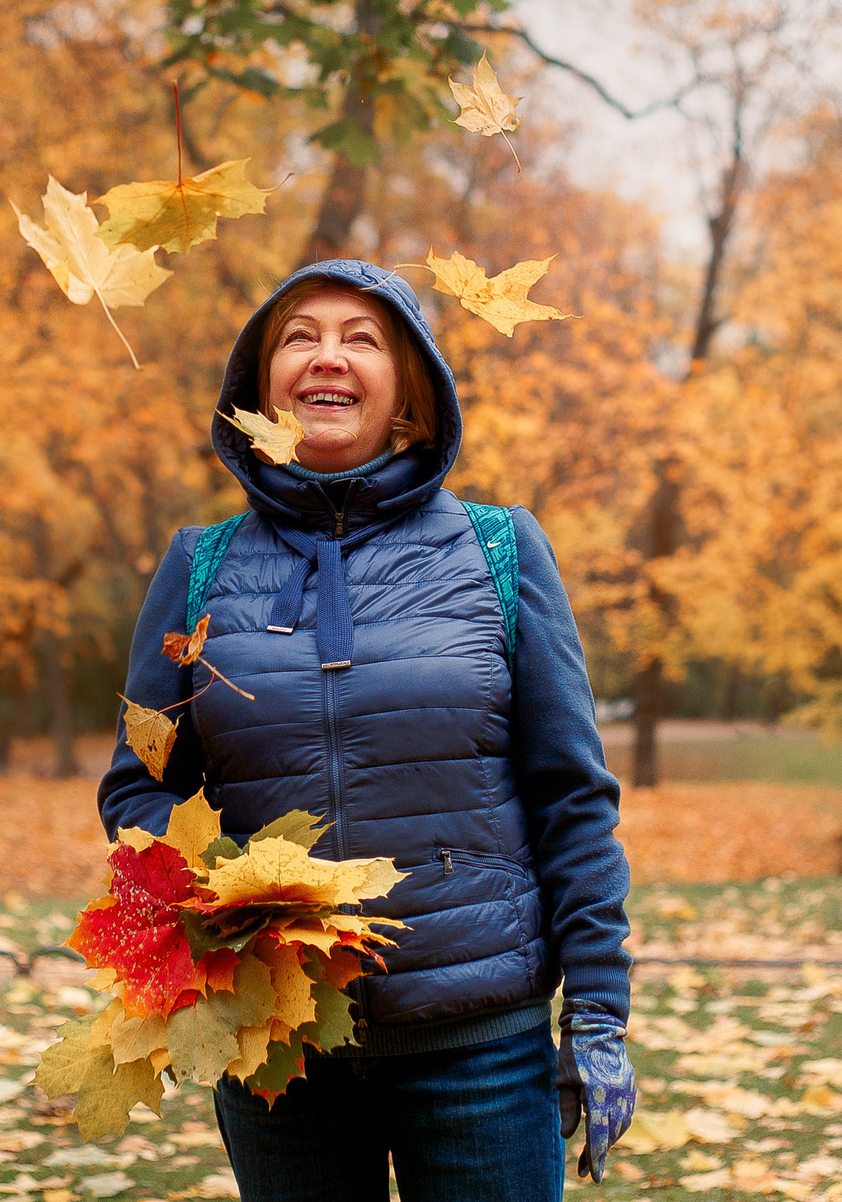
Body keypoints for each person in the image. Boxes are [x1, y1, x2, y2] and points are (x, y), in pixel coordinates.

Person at [98, 259, 637, 1200]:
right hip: (280, 1043)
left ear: (409, 391)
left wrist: (596, 1013)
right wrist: (219, 907)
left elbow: (572, 796)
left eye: (361, 337)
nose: (326, 357)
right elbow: (140, 782)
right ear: (259, 387)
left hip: (482, 1045)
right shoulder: (199, 566)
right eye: (298, 337)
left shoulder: (500, 548)